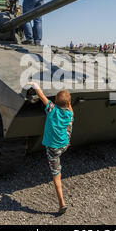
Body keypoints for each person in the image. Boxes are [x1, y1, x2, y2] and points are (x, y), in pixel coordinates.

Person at [27, 82, 74, 214]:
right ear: (69, 104)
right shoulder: (70, 113)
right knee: (69, 124)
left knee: (56, 176)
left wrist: (35, 85)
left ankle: (62, 204)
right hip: (65, 144)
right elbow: (69, 108)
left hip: (53, 149)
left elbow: (41, 96)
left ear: (55, 102)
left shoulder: (51, 109)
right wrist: (68, 104)